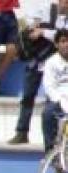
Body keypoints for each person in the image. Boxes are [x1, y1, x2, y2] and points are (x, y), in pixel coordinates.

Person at [8, 0, 66, 145]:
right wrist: (34, 28)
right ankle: (22, 132)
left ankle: (53, 138)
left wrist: (43, 32)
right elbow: (32, 24)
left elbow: (61, 38)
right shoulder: (47, 9)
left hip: (56, 64)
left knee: (52, 101)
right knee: (27, 95)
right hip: (38, 60)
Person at [42, 29, 68, 152]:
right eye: (63, 41)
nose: (66, 44)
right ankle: (50, 151)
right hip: (59, 99)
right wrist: (61, 101)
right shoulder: (51, 62)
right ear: (56, 44)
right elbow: (49, 87)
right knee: (48, 113)